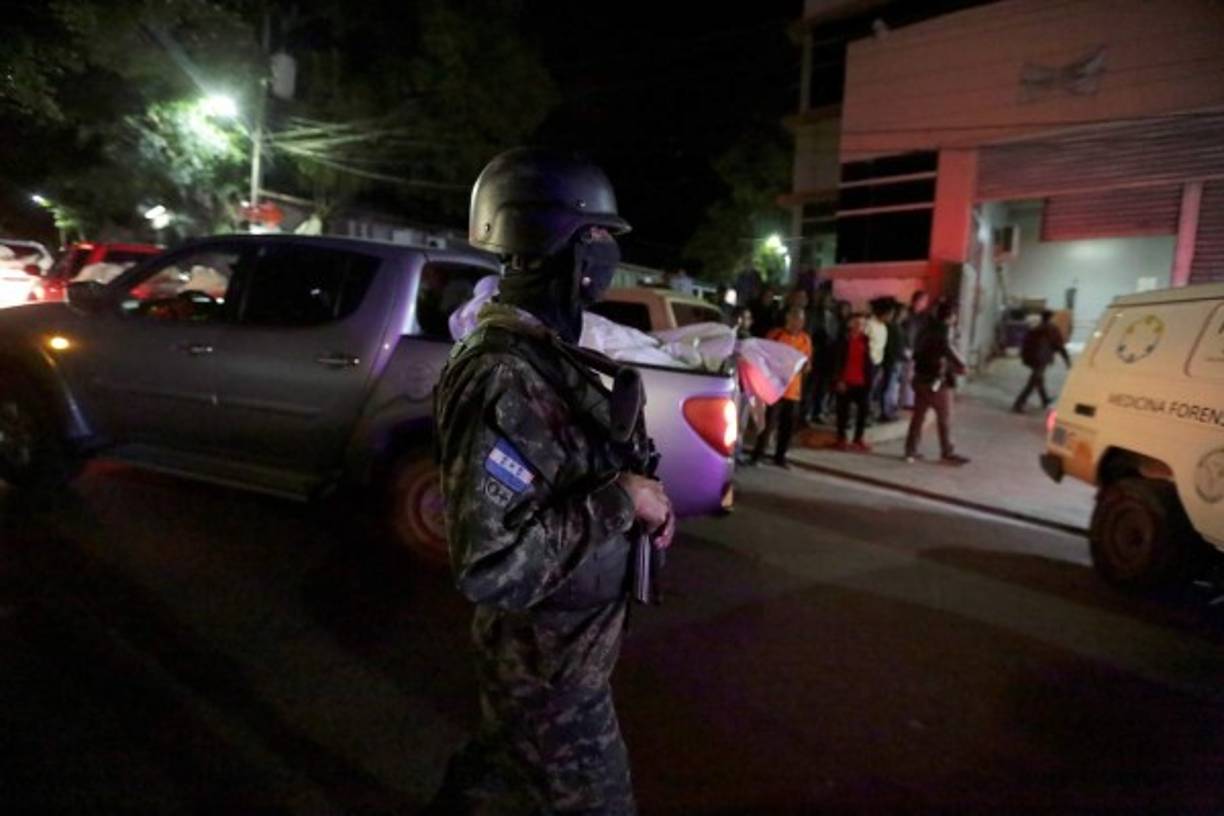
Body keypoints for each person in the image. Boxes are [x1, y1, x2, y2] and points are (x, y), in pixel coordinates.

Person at [430, 148, 674, 815]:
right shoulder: (501, 373)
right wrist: (619, 503)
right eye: (596, 236)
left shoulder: (548, 355)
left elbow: (572, 471)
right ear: (547, 238)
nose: (604, 254)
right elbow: (492, 563)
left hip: (561, 662)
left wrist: (640, 495)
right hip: (548, 675)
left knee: (492, 780)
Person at [905, 301, 970, 465]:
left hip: (920, 378)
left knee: (918, 417)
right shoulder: (944, 330)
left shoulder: (925, 329)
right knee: (945, 417)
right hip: (936, 381)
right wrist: (961, 365)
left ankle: (910, 450)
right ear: (951, 316)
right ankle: (947, 452)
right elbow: (947, 349)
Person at [750, 306, 811, 468]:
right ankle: (758, 455)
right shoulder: (776, 335)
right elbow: (763, 357)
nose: (798, 323)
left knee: (788, 426)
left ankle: (780, 456)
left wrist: (803, 368)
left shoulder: (805, 339)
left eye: (801, 320)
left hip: (793, 390)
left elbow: (807, 364)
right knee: (768, 423)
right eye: (795, 319)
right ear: (788, 319)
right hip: (774, 388)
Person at [830, 313, 874, 451]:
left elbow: (868, 362)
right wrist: (838, 379)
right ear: (850, 324)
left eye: (862, 324)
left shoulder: (865, 340)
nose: (859, 326)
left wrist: (869, 379)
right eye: (857, 323)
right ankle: (841, 438)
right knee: (843, 412)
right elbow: (836, 361)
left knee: (863, 411)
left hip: (861, 381)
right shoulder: (842, 340)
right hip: (845, 381)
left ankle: (858, 439)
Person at [1013, 310, 1071, 413]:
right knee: (1033, 381)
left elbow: (1025, 344)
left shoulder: (1035, 329)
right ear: (1051, 317)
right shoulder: (1052, 329)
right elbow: (1059, 346)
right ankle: (1018, 404)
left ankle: (1045, 400)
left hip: (1033, 358)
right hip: (1042, 359)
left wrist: (1025, 357)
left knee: (1038, 379)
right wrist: (1067, 360)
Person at [899, 290, 930, 410]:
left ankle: (910, 401)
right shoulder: (907, 315)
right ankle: (904, 401)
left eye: (925, 301)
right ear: (915, 301)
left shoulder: (924, 318)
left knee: (912, 376)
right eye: (922, 300)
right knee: (905, 376)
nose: (924, 303)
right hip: (906, 348)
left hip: (917, 349)